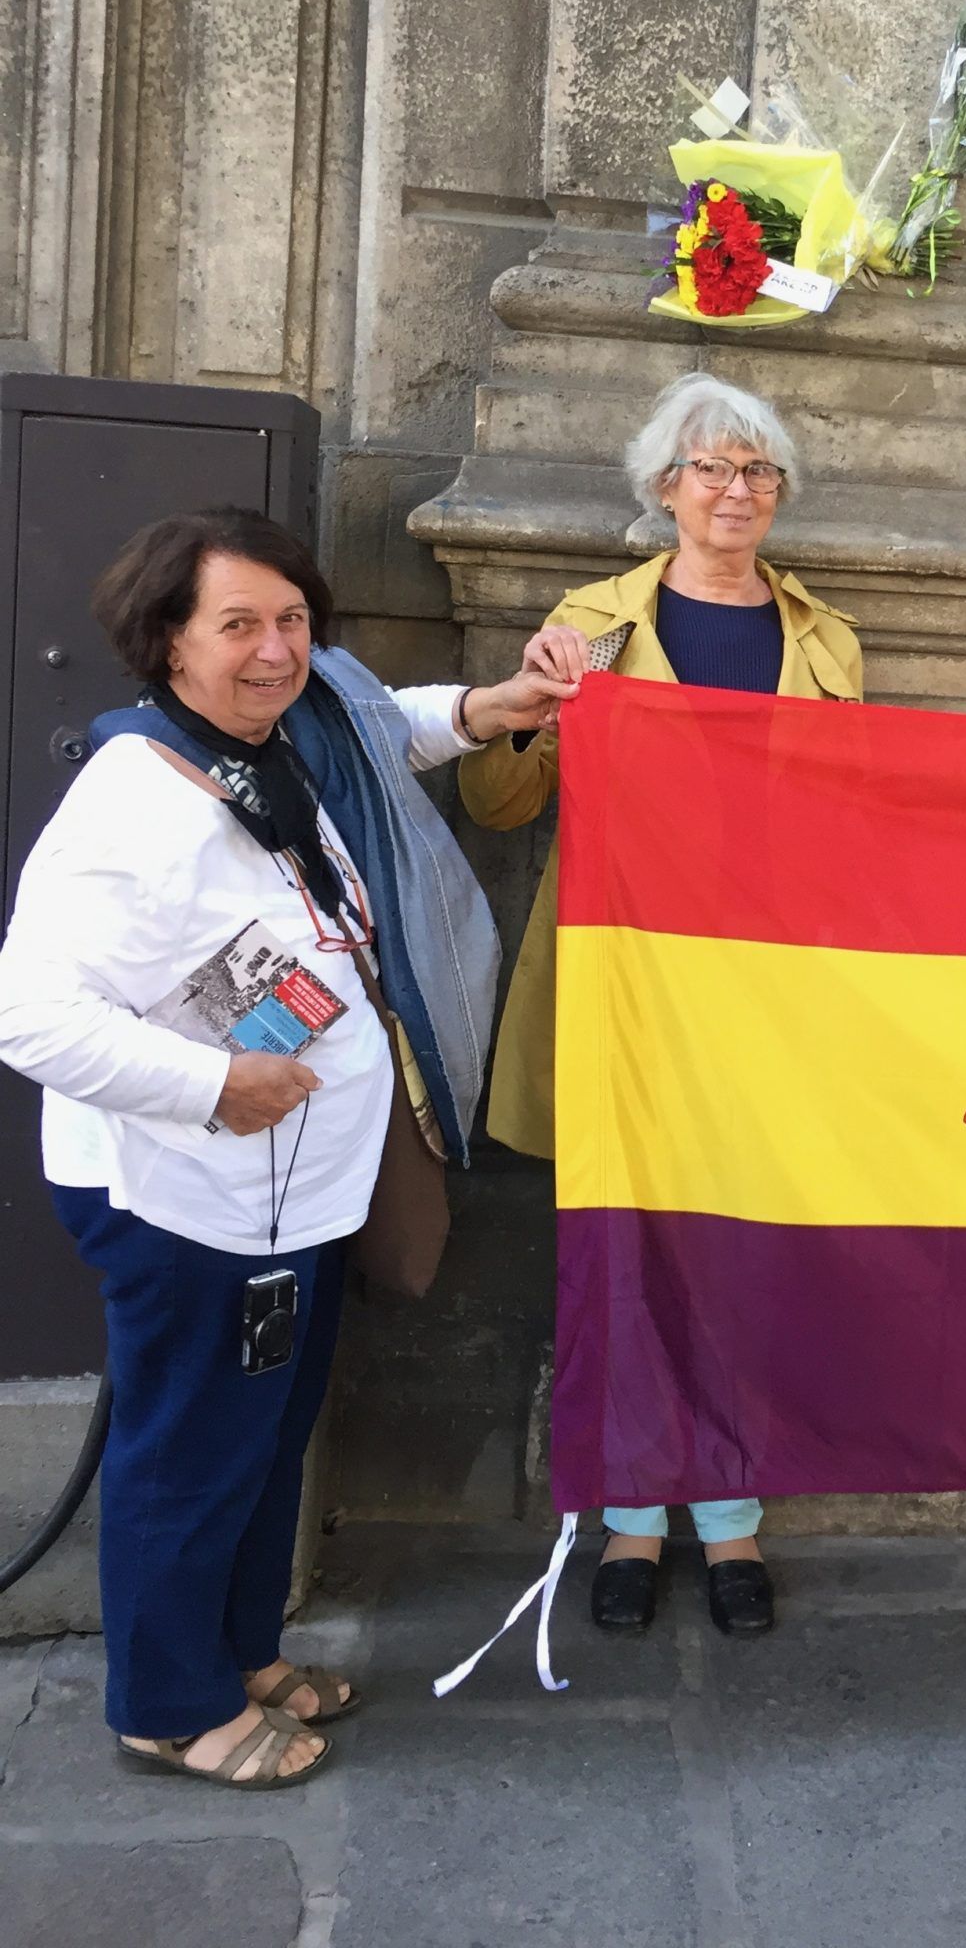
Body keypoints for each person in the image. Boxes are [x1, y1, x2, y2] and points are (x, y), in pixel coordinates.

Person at [0, 509, 573, 1787]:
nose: (276, 651)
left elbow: (386, 727)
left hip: (289, 1193)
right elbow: (29, 1015)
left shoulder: (278, 736)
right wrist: (214, 1083)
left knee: (263, 1439)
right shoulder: (134, 801)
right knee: (193, 1451)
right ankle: (168, 1703)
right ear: (170, 641)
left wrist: (490, 708)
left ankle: (242, 1652)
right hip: (190, 1198)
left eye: (294, 620)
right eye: (240, 625)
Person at [461, 373, 862, 1638]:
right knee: (627, 1248)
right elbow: (498, 804)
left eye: (759, 470)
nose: (737, 490)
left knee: (743, 1250)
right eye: (712, 468)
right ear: (664, 488)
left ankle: (733, 1517)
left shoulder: (826, 639)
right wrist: (532, 711)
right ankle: (632, 1516)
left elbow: (854, 816)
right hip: (627, 982)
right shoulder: (590, 627)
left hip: (764, 987)